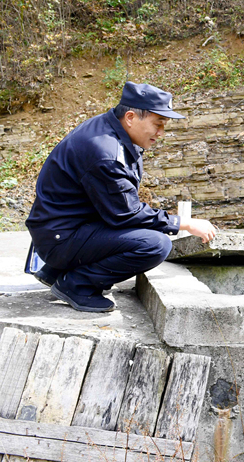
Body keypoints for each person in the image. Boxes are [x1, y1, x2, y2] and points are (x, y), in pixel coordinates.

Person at [25, 82, 217, 313]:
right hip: (60, 238)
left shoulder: (108, 129)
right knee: (155, 244)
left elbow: (116, 205)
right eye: (157, 124)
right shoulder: (105, 152)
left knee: (150, 228)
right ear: (130, 117)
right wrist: (183, 223)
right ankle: (76, 285)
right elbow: (127, 213)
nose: (161, 133)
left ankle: (56, 271)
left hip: (62, 228)